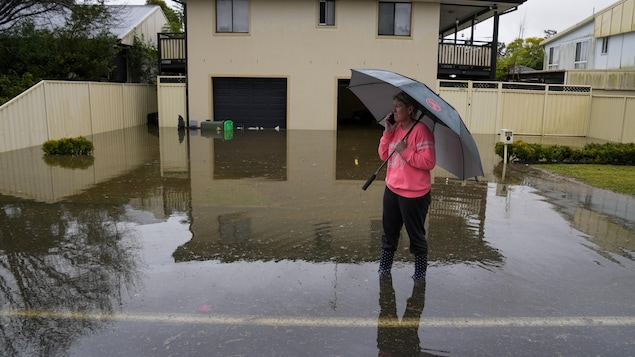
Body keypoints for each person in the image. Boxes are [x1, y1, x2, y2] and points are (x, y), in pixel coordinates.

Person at [377, 91, 436, 281]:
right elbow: (383, 155)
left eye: (398, 106)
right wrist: (387, 132)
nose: (393, 110)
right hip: (392, 190)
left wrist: (406, 150)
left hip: (414, 195)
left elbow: (428, 162)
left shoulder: (422, 131)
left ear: (410, 109)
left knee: (416, 236)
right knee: (389, 234)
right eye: (393, 105)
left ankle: (420, 276)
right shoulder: (395, 129)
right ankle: (384, 270)